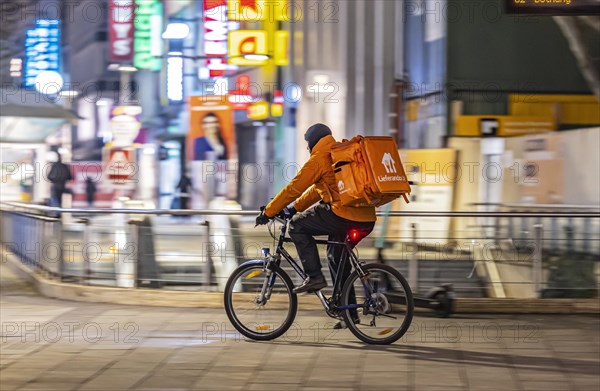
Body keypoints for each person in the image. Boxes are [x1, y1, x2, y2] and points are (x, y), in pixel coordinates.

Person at [255, 123, 376, 329]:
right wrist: (294, 208)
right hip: (365, 217)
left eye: (307, 143)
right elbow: (316, 191)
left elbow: (295, 187)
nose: (307, 147)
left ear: (312, 142)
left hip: (343, 215)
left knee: (296, 227)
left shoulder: (319, 158)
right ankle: (349, 315)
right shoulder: (338, 153)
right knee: (337, 256)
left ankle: (314, 276)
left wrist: (269, 211)